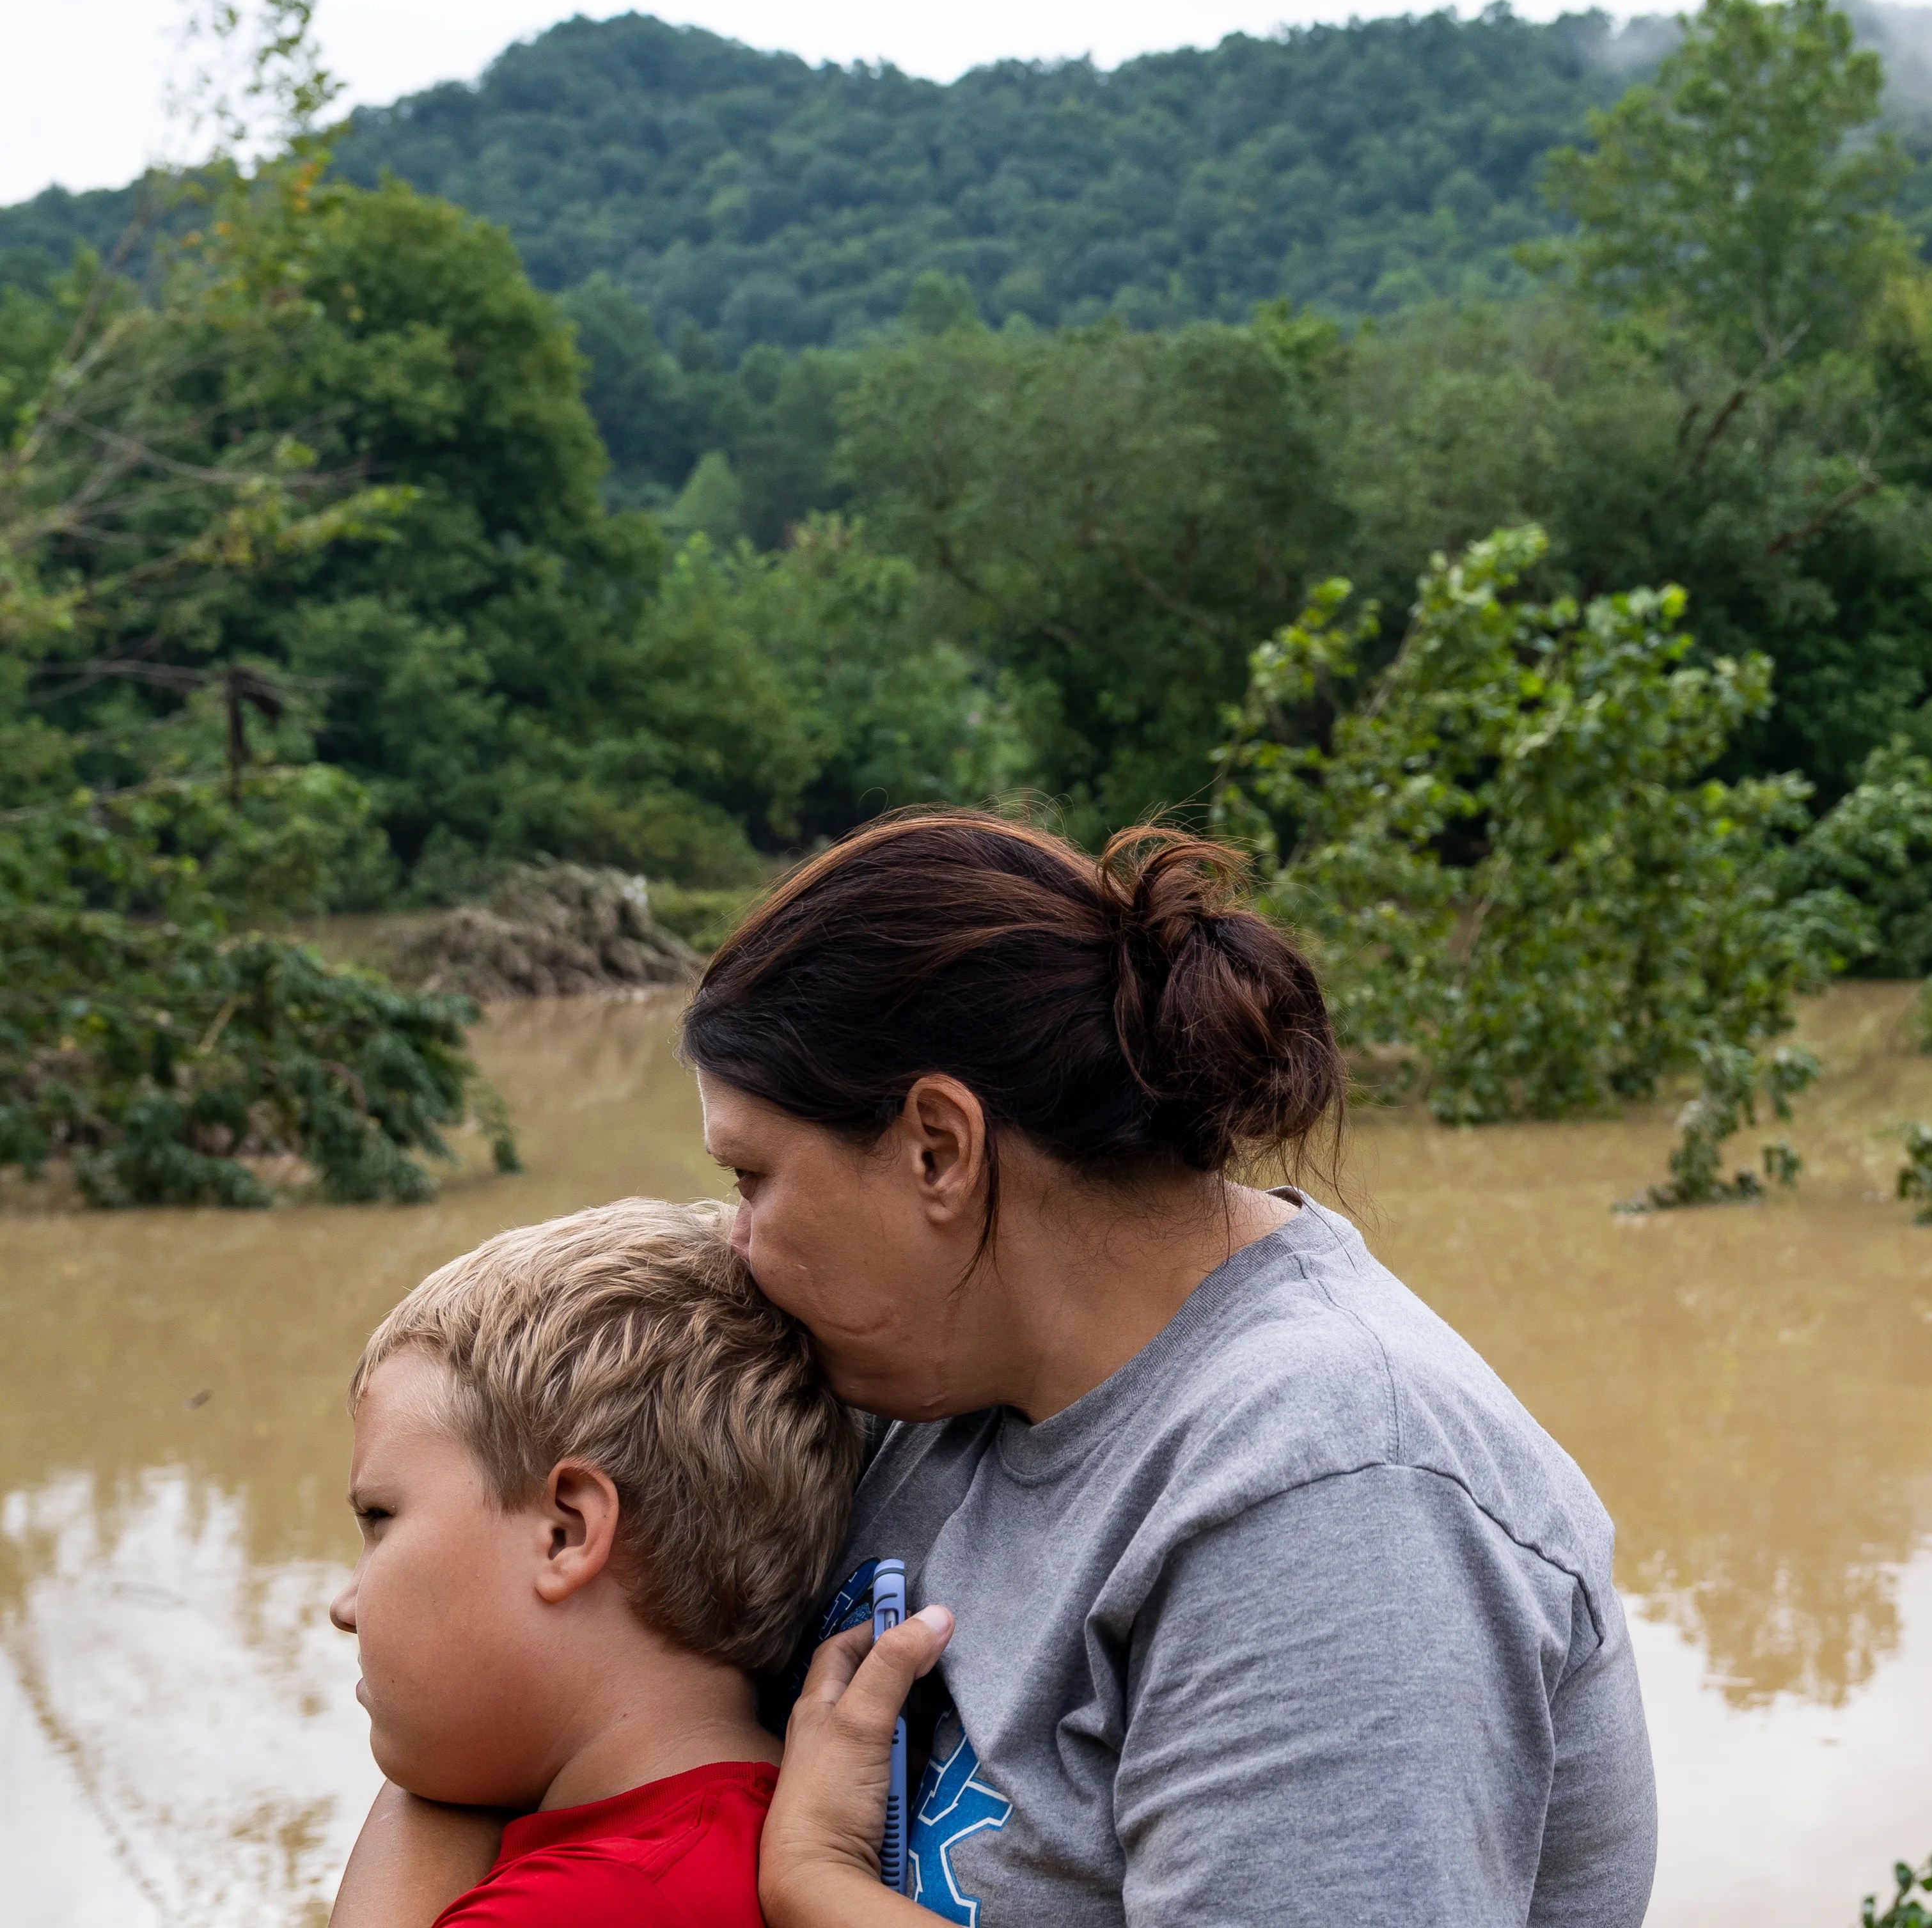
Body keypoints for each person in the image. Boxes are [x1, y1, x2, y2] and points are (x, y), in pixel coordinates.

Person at [343, 810, 1660, 1928]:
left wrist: (817, 1889)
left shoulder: (1333, 1494)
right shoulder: (924, 1382)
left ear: (936, 1148)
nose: (734, 1247)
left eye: (753, 1178)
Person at [331, 1198, 865, 1927]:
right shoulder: (740, 1824)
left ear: (568, 1533)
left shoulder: (596, 1898)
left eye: (381, 1519)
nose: (346, 1605)